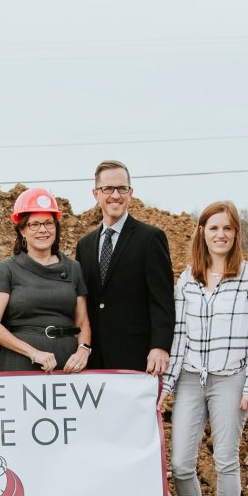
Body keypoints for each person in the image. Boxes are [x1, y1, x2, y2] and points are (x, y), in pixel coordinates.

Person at [162, 201, 248, 496]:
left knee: (225, 459)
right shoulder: (187, 278)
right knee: (181, 463)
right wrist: (167, 385)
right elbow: (179, 335)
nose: (220, 235)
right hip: (191, 377)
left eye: (227, 228)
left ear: (236, 233)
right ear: (202, 233)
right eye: (213, 228)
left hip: (231, 377)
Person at [74, 160, 176, 374]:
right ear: (96, 194)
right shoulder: (85, 245)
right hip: (95, 359)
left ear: (130, 193)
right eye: (108, 189)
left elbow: (162, 299)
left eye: (122, 188)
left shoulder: (150, 238)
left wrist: (160, 346)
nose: (116, 195)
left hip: (136, 356)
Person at [0, 188, 92, 373]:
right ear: (22, 230)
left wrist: (83, 350)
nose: (43, 229)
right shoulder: (7, 268)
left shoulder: (73, 268)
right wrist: (33, 353)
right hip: (21, 362)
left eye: (49, 223)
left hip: (67, 364)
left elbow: (82, 322)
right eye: (34, 224)